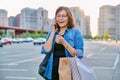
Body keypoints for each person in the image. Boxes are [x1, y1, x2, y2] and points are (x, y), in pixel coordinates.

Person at [41, 6, 84, 80]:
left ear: (69, 18)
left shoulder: (76, 33)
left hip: (69, 72)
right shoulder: (52, 32)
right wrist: (53, 32)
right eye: (58, 16)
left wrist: (64, 43)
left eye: (64, 16)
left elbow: (79, 54)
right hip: (52, 73)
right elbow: (46, 50)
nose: (61, 18)